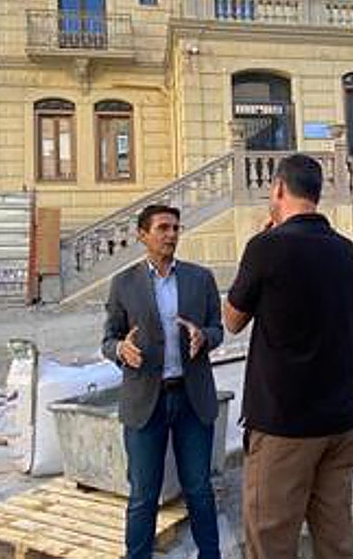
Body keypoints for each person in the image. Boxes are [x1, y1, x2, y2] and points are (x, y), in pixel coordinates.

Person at [223, 154, 353, 559]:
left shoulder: (266, 247)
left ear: (279, 189)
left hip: (285, 427)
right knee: (336, 541)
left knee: (271, 541)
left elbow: (232, 320)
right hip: (340, 421)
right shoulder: (347, 251)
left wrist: (258, 248)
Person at [102, 204, 223, 559]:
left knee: (199, 488)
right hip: (145, 402)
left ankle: (210, 555)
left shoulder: (201, 279)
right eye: (163, 228)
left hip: (192, 398)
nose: (171, 235)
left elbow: (218, 328)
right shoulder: (123, 283)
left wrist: (205, 337)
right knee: (143, 494)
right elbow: (109, 338)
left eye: (175, 228)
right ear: (142, 235)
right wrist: (121, 349)